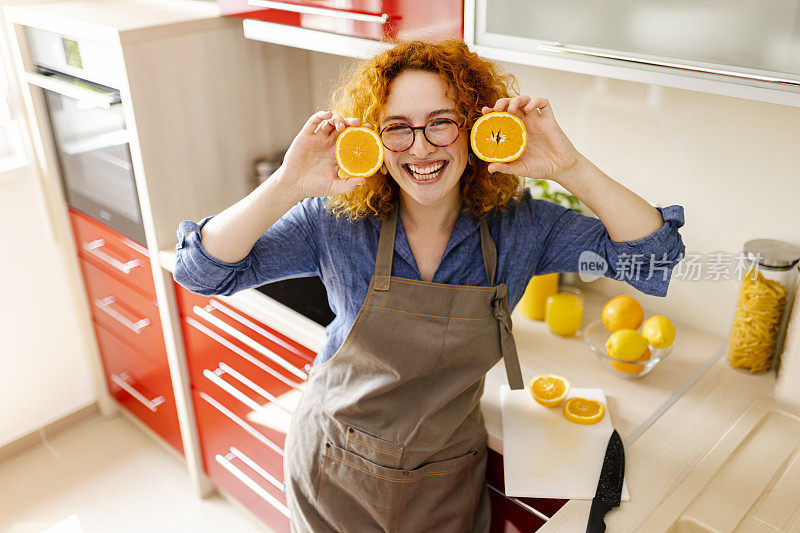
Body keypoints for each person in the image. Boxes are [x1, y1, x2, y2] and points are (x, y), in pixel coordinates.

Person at [173, 40, 685, 532]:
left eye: (441, 123)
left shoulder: (522, 227)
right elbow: (202, 273)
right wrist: (287, 184)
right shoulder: (333, 221)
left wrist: (569, 167)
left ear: (475, 126)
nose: (420, 148)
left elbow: (652, 257)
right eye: (397, 128)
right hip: (333, 468)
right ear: (374, 139)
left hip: (447, 477)